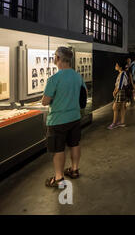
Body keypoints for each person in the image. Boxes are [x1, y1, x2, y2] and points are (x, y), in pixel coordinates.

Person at [41, 47, 86, 187]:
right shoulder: (78, 76)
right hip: (74, 117)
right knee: (75, 144)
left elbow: (45, 101)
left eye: (54, 56)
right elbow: (82, 95)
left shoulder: (54, 79)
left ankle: (59, 178)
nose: (53, 58)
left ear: (58, 58)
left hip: (58, 121)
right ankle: (74, 170)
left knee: (58, 149)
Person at [108, 60, 128, 129]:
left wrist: (115, 92)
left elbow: (120, 85)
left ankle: (114, 123)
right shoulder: (122, 73)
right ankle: (122, 122)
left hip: (120, 92)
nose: (115, 66)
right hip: (122, 91)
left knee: (115, 107)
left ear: (120, 67)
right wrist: (115, 90)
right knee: (122, 107)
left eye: (117, 65)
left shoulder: (122, 73)